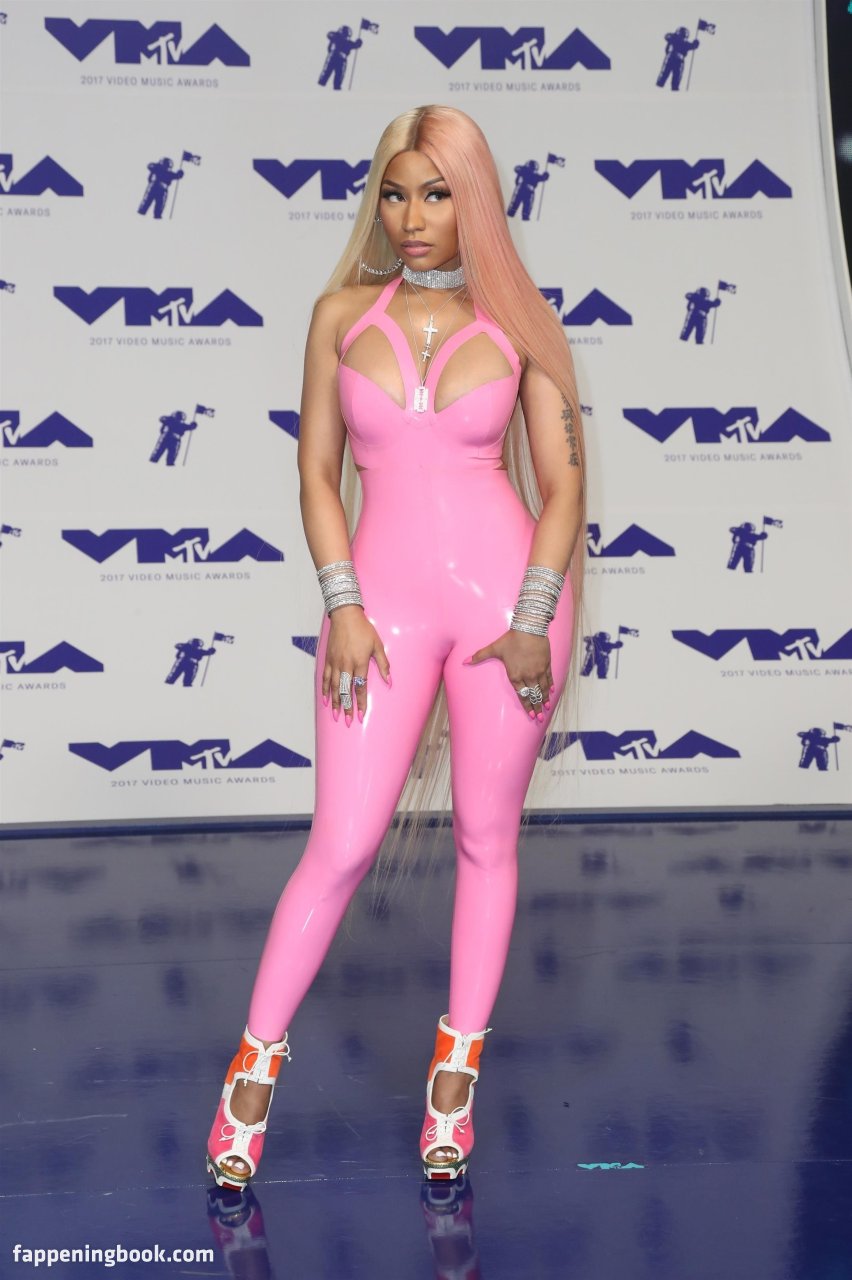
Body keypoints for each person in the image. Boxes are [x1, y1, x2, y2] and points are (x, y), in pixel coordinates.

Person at [206, 104, 587, 1188]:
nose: (412, 215)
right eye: (395, 191)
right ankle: (254, 1065)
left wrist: (532, 617)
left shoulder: (525, 323)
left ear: (476, 202)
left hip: (510, 606)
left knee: (485, 838)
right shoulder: (337, 316)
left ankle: (454, 1078)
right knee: (340, 842)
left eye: (437, 193)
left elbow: (564, 489)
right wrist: (343, 604)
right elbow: (315, 474)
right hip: (375, 608)